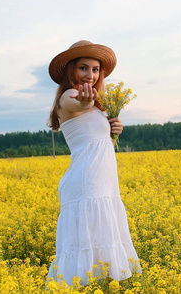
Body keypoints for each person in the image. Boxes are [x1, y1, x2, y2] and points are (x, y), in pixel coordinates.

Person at [46, 40, 142, 286]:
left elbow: (98, 138)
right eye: (83, 68)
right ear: (71, 71)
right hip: (86, 183)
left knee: (101, 246)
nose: (90, 75)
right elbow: (76, 104)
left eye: (95, 69)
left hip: (103, 184)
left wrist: (114, 130)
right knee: (88, 250)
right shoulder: (69, 96)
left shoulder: (100, 105)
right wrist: (86, 103)